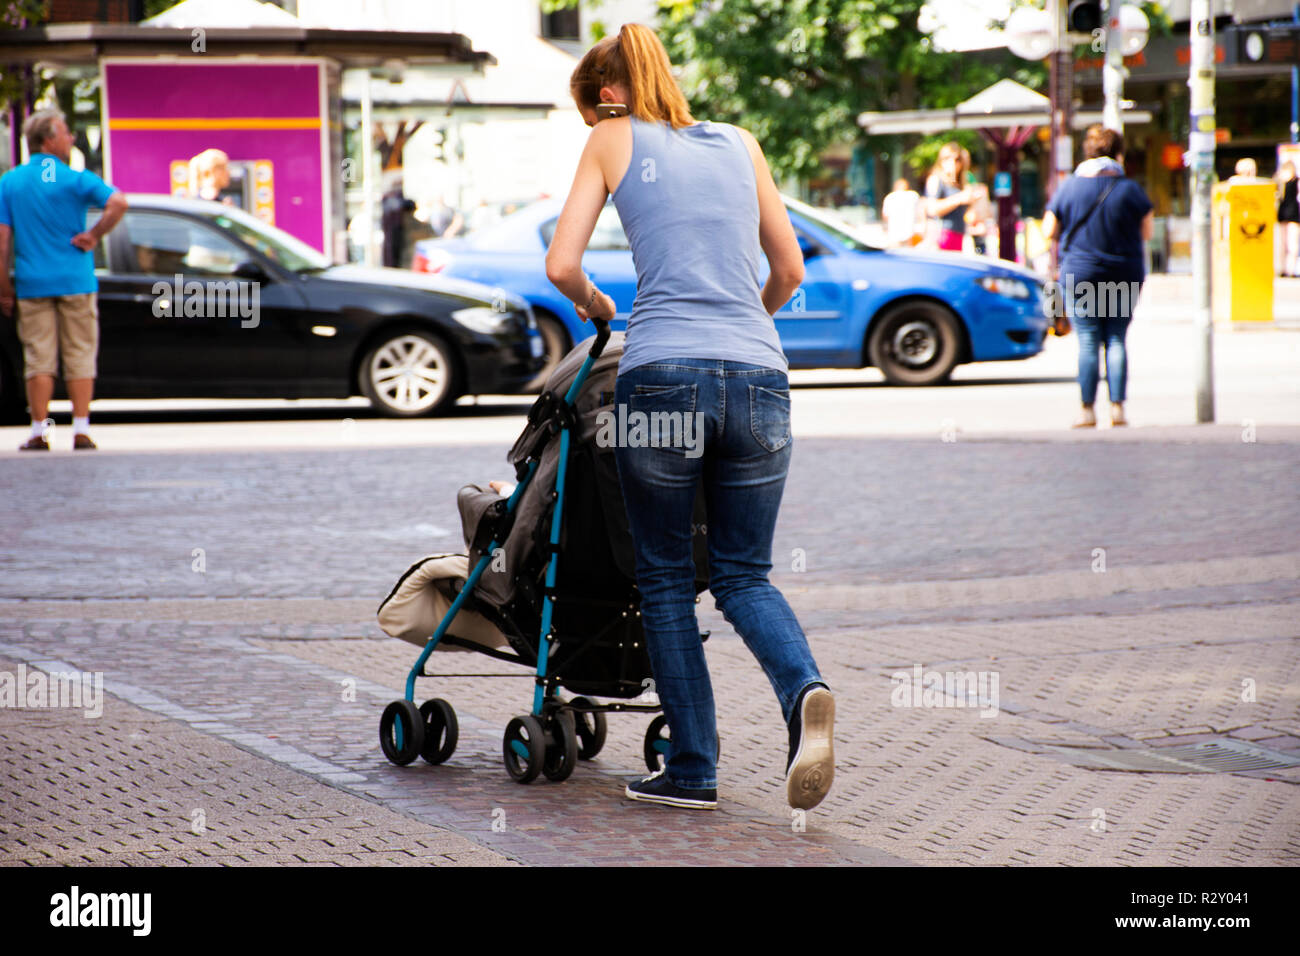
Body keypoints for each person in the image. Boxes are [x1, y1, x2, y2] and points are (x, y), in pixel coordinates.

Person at [545, 22, 834, 812]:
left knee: (666, 577)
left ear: (607, 96)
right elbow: (790, 269)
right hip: (760, 378)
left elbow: (561, 263)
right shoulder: (740, 142)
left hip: (661, 377)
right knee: (744, 575)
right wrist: (747, 326)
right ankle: (802, 688)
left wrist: (599, 304)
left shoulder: (611, 137)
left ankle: (694, 768)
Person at [0, 108, 127, 451]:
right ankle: (81, 428)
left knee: (39, 357)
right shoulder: (75, 178)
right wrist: (94, 235)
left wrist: (4, 287)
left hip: (32, 283)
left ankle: (40, 430)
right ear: (49, 139)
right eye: (66, 133)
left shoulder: (10, 182)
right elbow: (118, 202)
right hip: (75, 280)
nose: (72, 139)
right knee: (80, 353)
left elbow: (2, 241)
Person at [1042, 125, 1153, 429]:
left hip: (1081, 272)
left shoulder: (1069, 188)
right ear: (1118, 154)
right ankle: (1117, 410)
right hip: (1123, 271)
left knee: (1089, 342)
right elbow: (1147, 232)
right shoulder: (1131, 189)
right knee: (1116, 339)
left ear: (1087, 152)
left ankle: (1087, 412)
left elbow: (1048, 231)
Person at [924, 142, 973, 252]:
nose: (953, 163)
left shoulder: (959, 184)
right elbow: (932, 209)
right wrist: (959, 199)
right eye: (947, 158)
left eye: (957, 159)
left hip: (958, 235)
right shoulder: (936, 179)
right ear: (941, 160)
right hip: (942, 234)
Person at [882, 177, 924, 247]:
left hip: (896, 230)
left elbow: (885, 215)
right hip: (909, 231)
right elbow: (920, 212)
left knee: (895, 252)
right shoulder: (913, 196)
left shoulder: (890, 197)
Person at [1277, 161, 1299, 278]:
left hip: (1293, 212)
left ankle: (1290, 269)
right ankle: (1285, 268)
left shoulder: (1296, 181)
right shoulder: (1280, 182)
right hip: (1284, 212)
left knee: (1291, 244)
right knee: (1284, 243)